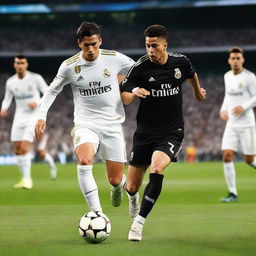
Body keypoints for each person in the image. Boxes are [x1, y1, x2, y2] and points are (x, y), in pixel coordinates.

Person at [35, 21, 135, 213]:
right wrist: (41, 116)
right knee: (84, 161)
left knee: (115, 179)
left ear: (100, 41)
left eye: (94, 44)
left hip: (112, 124)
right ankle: (97, 213)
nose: (90, 49)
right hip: (85, 124)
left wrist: (124, 82)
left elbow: (136, 70)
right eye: (86, 44)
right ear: (79, 43)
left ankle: (121, 188)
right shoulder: (69, 66)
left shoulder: (114, 58)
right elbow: (51, 91)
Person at [121, 24, 206, 241]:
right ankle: (132, 197)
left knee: (157, 168)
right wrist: (133, 92)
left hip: (171, 131)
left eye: (154, 45)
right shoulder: (139, 68)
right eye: (147, 45)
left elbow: (192, 73)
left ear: (164, 45)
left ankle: (138, 224)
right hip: (145, 132)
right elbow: (125, 97)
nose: (150, 50)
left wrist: (197, 91)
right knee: (131, 186)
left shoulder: (181, 62)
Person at [0, 54, 57, 189]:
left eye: (22, 63)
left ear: (26, 65)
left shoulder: (35, 78)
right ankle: (24, 178)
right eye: (17, 63)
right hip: (18, 117)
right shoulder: (11, 82)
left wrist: (36, 102)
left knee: (25, 147)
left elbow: (48, 92)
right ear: (15, 65)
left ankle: (27, 180)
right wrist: (4, 108)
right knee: (17, 149)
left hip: (33, 117)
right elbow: (7, 98)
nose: (20, 65)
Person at [219, 47, 256, 203]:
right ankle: (233, 193)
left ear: (242, 60)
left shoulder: (249, 77)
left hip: (247, 123)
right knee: (227, 155)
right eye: (233, 58)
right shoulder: (227, 76)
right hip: (232, 123)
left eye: (238, 58)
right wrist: (223, 109)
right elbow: (228, 95)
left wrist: (244, 107)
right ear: (229, 60)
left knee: (249, 159)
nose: (235, 61)